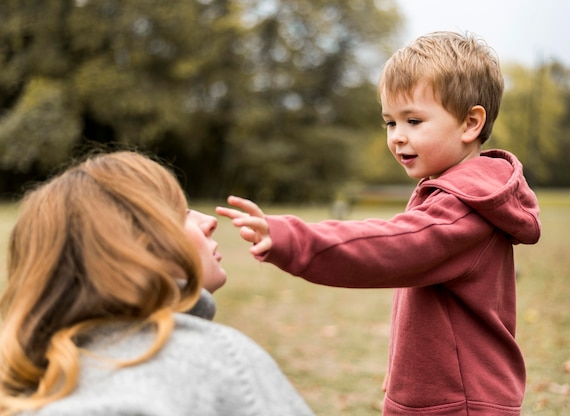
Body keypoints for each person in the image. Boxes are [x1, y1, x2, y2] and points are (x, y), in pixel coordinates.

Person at [216, 31, 541, 416]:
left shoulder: (462, 208)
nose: (397, 137)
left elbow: (388, 246)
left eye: (414, 120)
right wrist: (408, 373)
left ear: (470, 123)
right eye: (390, 122)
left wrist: (291, 237)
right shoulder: (445, 192)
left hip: (460, 404)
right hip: (439, 394)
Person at [0, 151, 314, 416]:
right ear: (134, 246)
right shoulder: (221, 357)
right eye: (180, 213)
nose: (209, 221)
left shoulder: (22, 386)